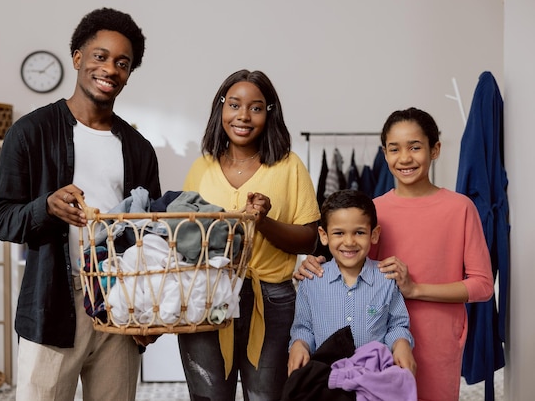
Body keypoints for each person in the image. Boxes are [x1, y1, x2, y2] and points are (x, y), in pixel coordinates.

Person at [0, 8, 161, 401]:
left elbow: (151, 235)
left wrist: (149, 312)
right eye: (100, 56)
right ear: (78, 57)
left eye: (123, 63)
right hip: (52, 301)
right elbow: (1, 218)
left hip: (119, 302)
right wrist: (45, 207)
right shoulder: (29, 132)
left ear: (129, 73)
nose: (110, 69)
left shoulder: (138, 149)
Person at [295, 107, 494, 400]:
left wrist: (415, 288)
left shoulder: (461, 208)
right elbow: (353, 264)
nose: (404, 158)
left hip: (438, 337)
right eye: (394, 149)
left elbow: (483, 285)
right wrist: (315, 264)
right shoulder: (375, 211)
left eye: (415, 147)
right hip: (375, 340)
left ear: (435, 149)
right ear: (384, 153)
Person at [177, 69, 320, 401]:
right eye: (234, 105)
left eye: (256, 107)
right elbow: (182, 238)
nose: (243, 116)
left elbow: (309, 238)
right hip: (207, 296)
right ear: (221, 109)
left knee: (266, 397)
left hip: (272, 300)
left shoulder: (289, 166)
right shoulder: (202, 167)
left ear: (269, 113)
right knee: (208, 396)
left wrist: (264, 222)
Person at [288, 189, 416, 377]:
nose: (349, 242)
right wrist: (299, 344)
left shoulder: (386, 279)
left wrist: (401, 344)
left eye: (359, 232)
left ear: (374, 234)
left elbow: (396, 324)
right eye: (339, 233)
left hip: (374, 378)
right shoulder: (311, 280)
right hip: (326, 380)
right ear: (324, 235)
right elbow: (303, 327)